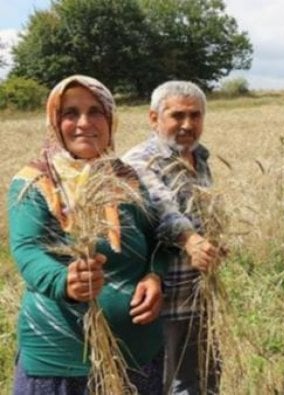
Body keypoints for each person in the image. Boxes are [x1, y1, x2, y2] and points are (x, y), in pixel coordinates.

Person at [7, 75, 165, 394]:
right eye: (70, 113)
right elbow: (27, 249)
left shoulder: (126, 178)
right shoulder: (34, 182)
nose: (84, 123)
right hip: (59, 359)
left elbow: (159, 240)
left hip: (136, 353)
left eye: (95, 111)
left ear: (110, 119)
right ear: (54, 120)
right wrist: (64, 281)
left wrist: (154, 277)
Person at [122, 81, 220, 394]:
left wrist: (213, 243)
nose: (187, 125)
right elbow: (164, 208)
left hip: (198, 295)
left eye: (195, 116)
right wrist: (191, 241)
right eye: (177, 116)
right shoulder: (138, 161)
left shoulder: (200, 158)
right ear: (154, 118)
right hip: (160, 299)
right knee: (158, 384)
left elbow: (204, 216)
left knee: (201, 382)